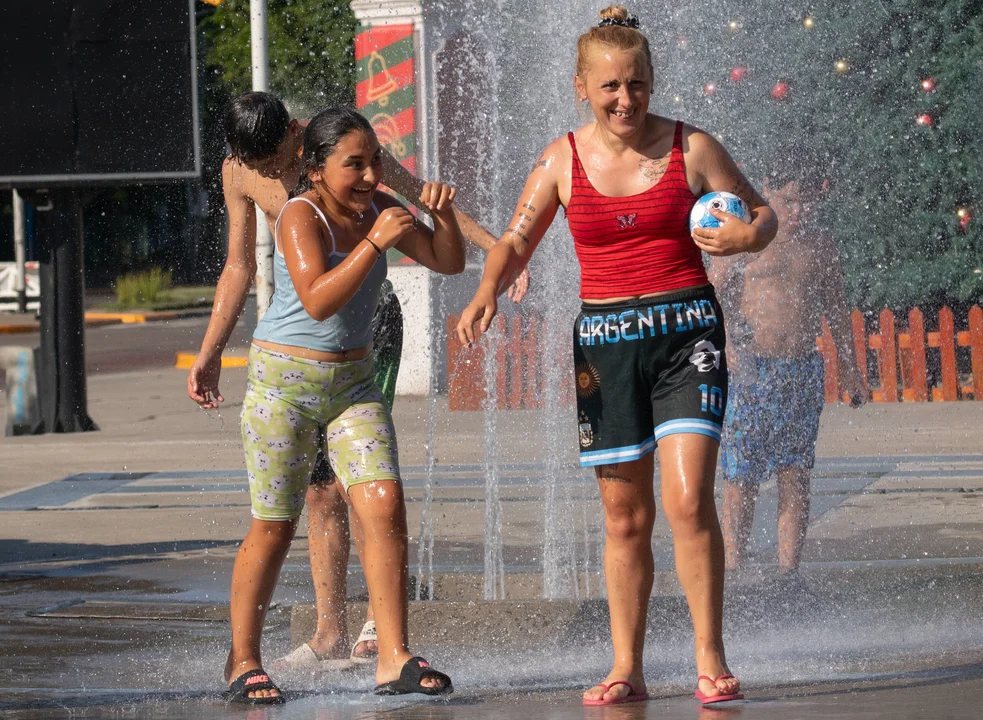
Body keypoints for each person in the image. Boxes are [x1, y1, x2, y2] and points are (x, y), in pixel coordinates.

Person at [456, 6, 777, 707]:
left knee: (689, 501)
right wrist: (486, 288)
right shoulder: (559, 160)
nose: (624, 100)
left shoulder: (692, 149)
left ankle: (708, 655)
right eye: (609, 88)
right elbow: (514, 240)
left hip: (686, 337)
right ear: (581, 87)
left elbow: (761, 211)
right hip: (604, 349)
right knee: (624, 519)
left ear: (652, 80)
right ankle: (624, 664)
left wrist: (748, 241)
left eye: (636, 85)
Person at [187, 92, 528, 672]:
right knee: (309, 496)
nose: (271, 174)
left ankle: (383, 629)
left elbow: (420, 198)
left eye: (276, 161)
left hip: (364, 331)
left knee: (368, 489)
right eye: (259, 167)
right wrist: (210, 349)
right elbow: (242, 266)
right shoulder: (254, 176)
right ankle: (325, 632)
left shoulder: (351, 157)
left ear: (299, 139)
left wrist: (496, 251)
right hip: (299, 346)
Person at [217, 106, 463, 704]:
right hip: (284, 387)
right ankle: (243, 661)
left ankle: (393, 655)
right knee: (275, 525)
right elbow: (318, 297)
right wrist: (376, 243)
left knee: (383, 501)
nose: (370, 174)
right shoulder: (301, 215)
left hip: (351, 385)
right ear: (318, 168)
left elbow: (448, 260)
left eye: (374, 160)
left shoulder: (380, 209)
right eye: (354, 163)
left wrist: (445, 215)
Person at [711, 160, 868, 577]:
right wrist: (725, 342)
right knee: (740, 481)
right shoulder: (748, 236)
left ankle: (788, 575)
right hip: (751, 370)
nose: (800, 212)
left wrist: (851, 369)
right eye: (790, 201)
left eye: (808, 202)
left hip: (800, 371)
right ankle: (734, 572)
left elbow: (836, 309)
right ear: (767, 190)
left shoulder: (820, 245)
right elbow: (711, 292)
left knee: (795, 474)